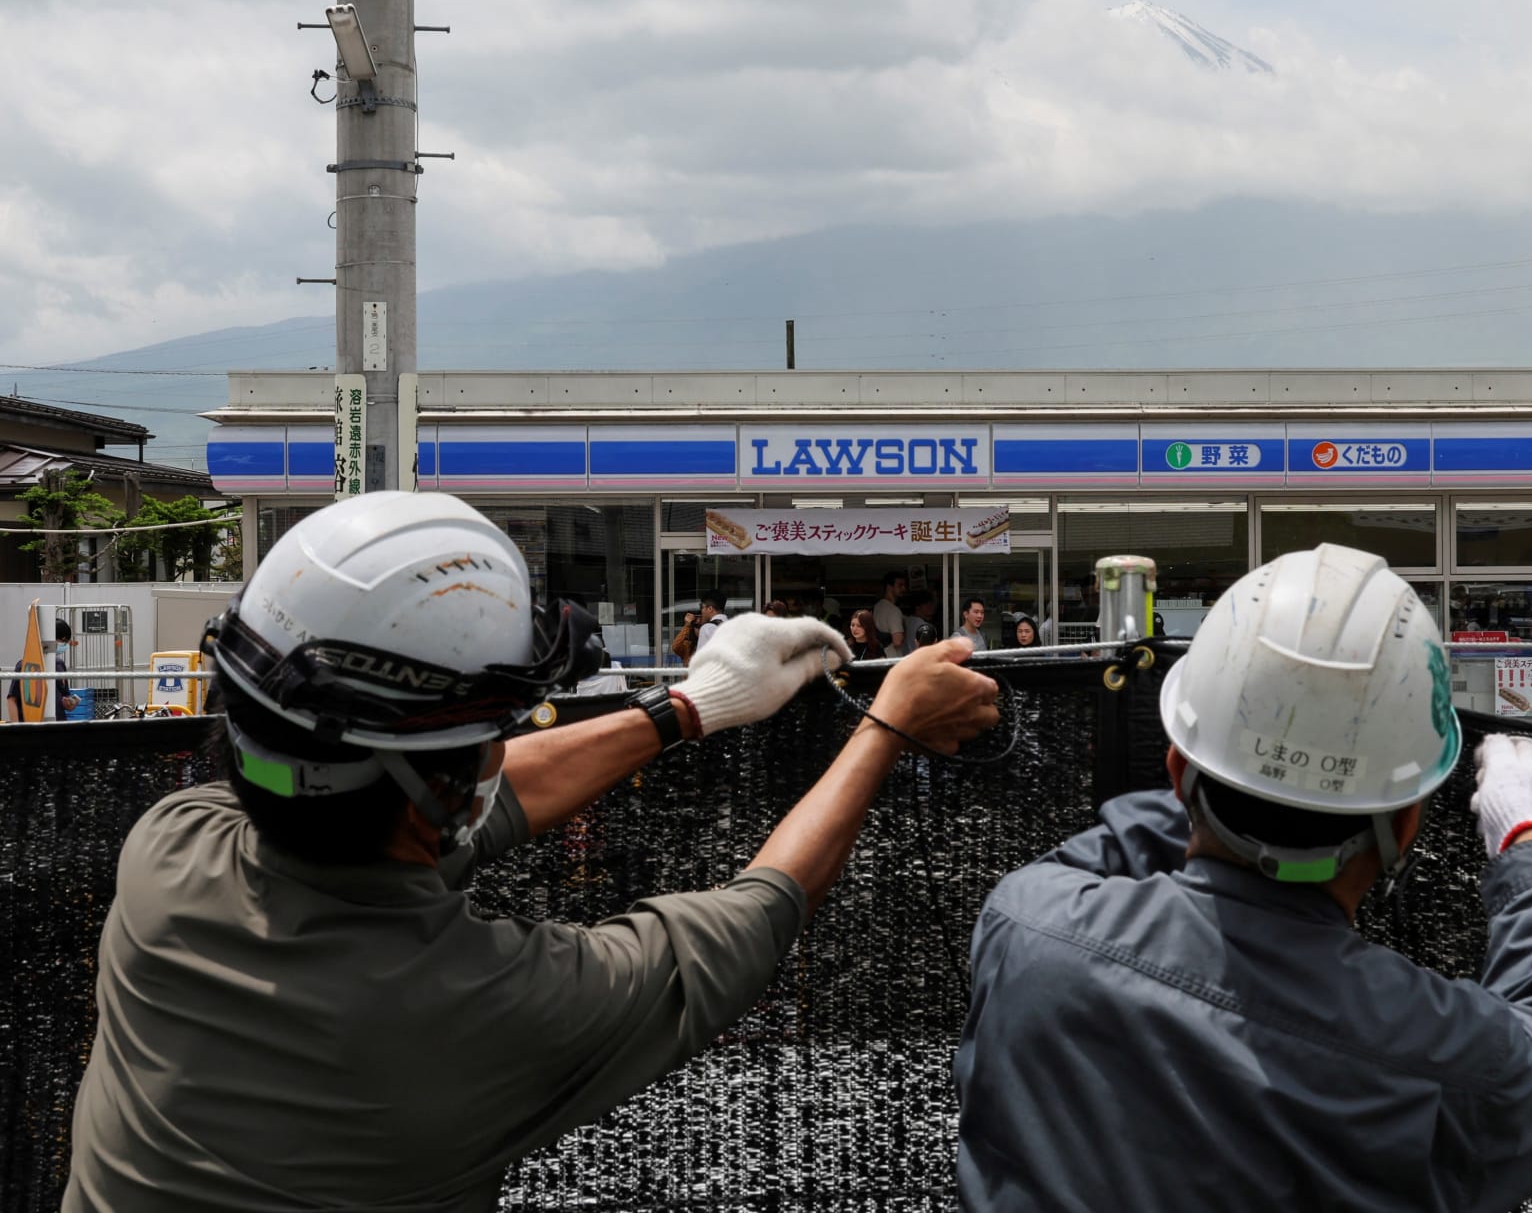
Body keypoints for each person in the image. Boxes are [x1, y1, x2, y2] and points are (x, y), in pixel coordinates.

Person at [63, 492, 1001, 1213]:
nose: (501, 756)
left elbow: (458, 795)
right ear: (439, 786)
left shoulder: (171, 850)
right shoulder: (482, 1008)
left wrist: (693, 706)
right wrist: (887, 725)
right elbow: (756, 912)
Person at [953, 544, 1532, 1209]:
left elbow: (1116, 841)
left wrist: (1237, 755)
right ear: (1408, 825)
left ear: (1179, 770)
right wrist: (1528, 837)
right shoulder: (1432, 1053)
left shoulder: (1026, 929)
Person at [6, 616, 76, 722]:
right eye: (62, 640)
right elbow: (12, 700)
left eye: (66, 641)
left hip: (58, 724)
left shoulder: (59, 665)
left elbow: (65, 697)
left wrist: (70, 703)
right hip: (32, 725)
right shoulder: (26, 665)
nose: (64, 645)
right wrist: (17, 729)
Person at [873, 571, 908, 657]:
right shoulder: (894, 610)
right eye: (900, 585)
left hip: (881, 657)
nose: (904, 589)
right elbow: (897, 641)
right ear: (889, 587)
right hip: (892, 659)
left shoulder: (877, 606)